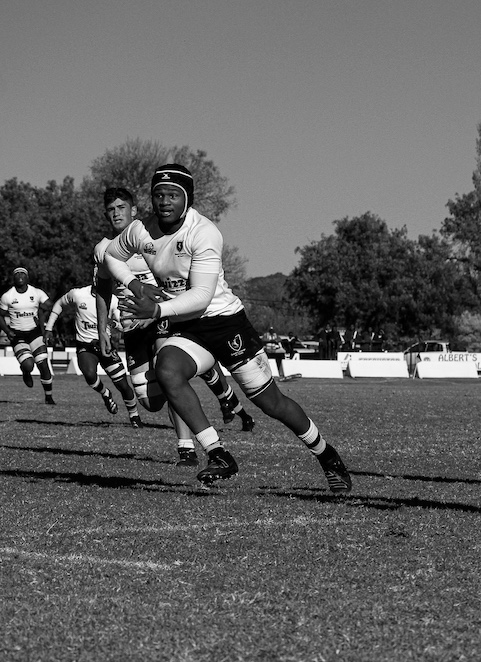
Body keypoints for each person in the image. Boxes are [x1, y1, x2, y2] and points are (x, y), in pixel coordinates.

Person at [104, 164, 351, 491]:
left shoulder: (204, 232)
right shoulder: (141, 230)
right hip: (188, 327)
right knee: (167, 370)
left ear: (187, 198)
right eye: (158, 194)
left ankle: (326, 454)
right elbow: (110, 256)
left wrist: (158, 308)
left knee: (271, 403)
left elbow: (203, 297)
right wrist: (135, 286)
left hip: (225, 324)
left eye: (173, 195)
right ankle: (218, 453)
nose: (165, 201)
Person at [94, 187, 254, 459]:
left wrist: (158, 310)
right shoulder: (104, 249)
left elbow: (178, 280)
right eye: (111, 210)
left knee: (169, 370)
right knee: (150, 402)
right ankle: (219, 386)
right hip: (132, 328)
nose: (116, 214)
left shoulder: (151, 236)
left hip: (161, 320)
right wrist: (103, 329)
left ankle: (187, 447)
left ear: (134, 210)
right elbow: (102, 289)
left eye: (122, 208)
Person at [44, 284, 143, 426]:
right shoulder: (78, 294)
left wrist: (114, 324)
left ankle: (134, 417)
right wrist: (49, 328)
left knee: (123, 385)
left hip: (105, 345)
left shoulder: (113, 300)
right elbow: (59, 303)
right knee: (89, 374)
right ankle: (105, 393)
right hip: (85, 345)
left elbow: (122, 325)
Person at [0, 267, 56, 404]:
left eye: (23, 274)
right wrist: (7, 332)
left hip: (35, 332)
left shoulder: (36, 293)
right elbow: (0, 316)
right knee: (29, 364)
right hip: (17, 335)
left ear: (27, 278)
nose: (20, 276)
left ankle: (48, 397)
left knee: (43, 364)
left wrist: (44, 314)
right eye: (17, 274)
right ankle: (25, 372)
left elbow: (51, 305)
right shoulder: (7, 296)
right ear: (13, 278)